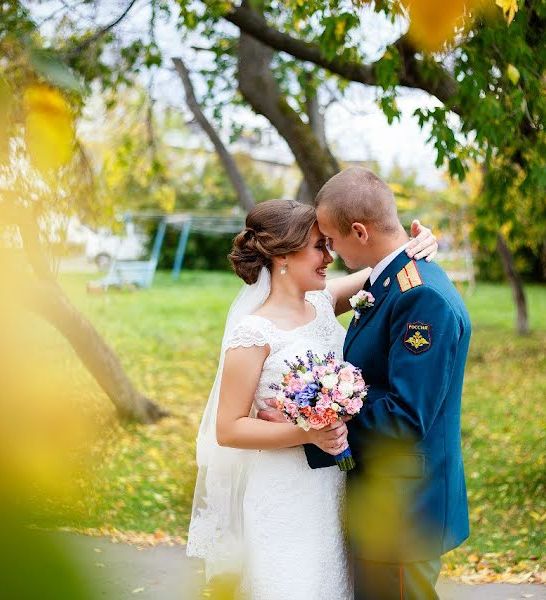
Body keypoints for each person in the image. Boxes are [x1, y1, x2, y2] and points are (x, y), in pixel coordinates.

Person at [186, 197, 439, 599]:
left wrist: (421, 243)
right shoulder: (253, 334)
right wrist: (306, 433)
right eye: (319, 246)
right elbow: (228, 428)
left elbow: (384, 265)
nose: (330, 257)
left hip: (334, 490)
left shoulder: (322, 303)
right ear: (283, 256)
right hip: (285, 494)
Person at [286, 167, 473, 600]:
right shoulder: (388, 280)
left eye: (331, 239)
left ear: (359, 231)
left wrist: (318, 419)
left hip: (404, 507)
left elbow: (406, 415)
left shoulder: (418, 296)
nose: (329, 252)